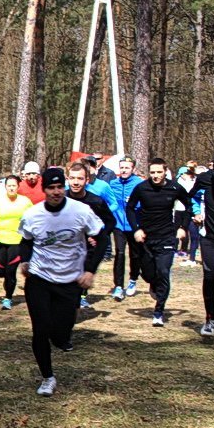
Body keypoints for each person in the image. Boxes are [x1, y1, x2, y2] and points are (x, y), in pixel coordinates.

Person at [17, 167, 106, 396]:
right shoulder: (33, 214)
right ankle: (47, 377)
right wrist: (25, 261)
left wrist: (90, 270)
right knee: (40, 329)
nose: (56, 192)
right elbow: (25, 241)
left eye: (59, 187)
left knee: (61, 334)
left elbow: (102, 237)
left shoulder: (81, 211)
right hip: (39, 278)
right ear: (44, 189)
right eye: (51, 188)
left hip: (69, 280)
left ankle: (60, 337)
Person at [125, 158, 192, 326]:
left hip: (167, 237)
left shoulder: (175, 187)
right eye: (152, 172)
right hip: (146, 239)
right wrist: (136, 229)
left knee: (163, 272)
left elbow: (189, 205)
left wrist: (183, 227)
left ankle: (158, 312)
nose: (155, 176)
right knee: (148, 275)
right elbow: (130, 208)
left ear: (165, 171)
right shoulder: (141, 188)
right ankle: (153, 284)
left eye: (159, 172)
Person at [65, 163, 115, 310]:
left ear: (87, 180)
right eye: (72, 178)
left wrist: (99, 236)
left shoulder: (96, 201)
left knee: (76, 286)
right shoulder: (61, 199)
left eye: (80, 179)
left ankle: (77, 302)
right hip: (65, 250)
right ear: (67, 179)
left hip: (87, 251)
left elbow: (111, 221)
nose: (75, 182)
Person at [0, 174, 33, 310]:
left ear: (18, 187)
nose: (11, 188)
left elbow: (33, 218)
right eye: (9, 186)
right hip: (0, 240)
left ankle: (8, 298)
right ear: (5, 187)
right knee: (0, 271)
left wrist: (28, 233)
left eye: (14, 186)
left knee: (10, 271)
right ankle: (7, 288)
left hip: (17, 241)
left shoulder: (25, 202)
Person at [108, 155, 144, 301]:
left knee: (135, 254)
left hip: (134, 224)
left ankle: (133, 280)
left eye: (127, 168)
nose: (124, 170)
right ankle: (118, 286)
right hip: (118, 224)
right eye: (122, 167)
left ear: (133, 169)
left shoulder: (139, 183)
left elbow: (145, 203)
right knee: (120, 252)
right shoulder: (113, 184)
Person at [193, 153, 214, 336]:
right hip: (209, 237)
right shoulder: (205, 179)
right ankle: (210, 319)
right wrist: (196, 212)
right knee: (210, 277)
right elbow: (189, 197)